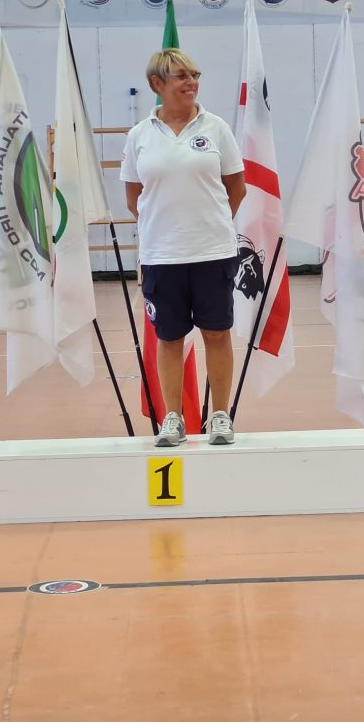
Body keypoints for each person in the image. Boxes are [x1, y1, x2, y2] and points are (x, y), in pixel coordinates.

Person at [120, 48, 246, 447]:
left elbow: (236, 188)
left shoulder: (217, 128)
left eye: (195, 75)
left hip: (212, 253)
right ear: (157, 84)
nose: (192, 83)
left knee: (217, 334)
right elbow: (133, 197)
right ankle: (172, 419)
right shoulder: (139, 136)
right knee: (169, 338)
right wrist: (165, 229)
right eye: (182, 76)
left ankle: (220, 416)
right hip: (162, 256)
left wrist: (210, 224)